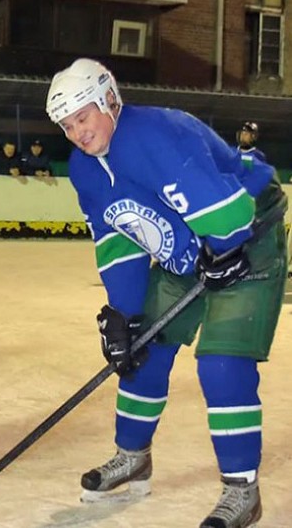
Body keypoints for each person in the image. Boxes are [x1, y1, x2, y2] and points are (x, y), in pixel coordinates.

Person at [45, 58, 286, 528]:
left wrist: (226, 247)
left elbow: (227, 212)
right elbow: (117, 240)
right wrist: (124, 313)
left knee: (221, 363)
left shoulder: (156, 135)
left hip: (248, 230)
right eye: (67, 124)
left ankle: (242, 491)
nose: (77, 132)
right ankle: (133, 457)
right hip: (192, 250)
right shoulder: (84, 168)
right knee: (142, 348)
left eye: (84, 116)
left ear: (110, 101)